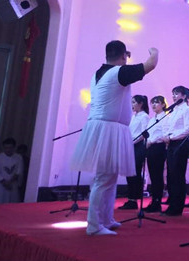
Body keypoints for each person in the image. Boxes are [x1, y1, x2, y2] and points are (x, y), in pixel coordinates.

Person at [71, 41, 158, 235]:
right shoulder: (119, 72)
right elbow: (151, 63)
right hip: (108, 128)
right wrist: (154, 50)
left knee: (110, 177)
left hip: (107, 128)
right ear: (124, 56)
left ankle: (106, 218)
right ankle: (94, 225)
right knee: (104, 178)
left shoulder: (99, 73)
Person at [162, 86, 189, 216]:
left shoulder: (187, 110)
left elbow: (188, 129)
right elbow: (169, 127)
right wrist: (166, 136)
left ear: (184, 96)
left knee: (178, 175)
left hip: (180, 144)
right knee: (171, 175)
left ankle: (177, 206)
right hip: (171, 143)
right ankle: (172, 204)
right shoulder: (174, 110)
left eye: (176, 94)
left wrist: (171, 137)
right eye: (173, 94)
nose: (174, 96)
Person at [120, 95, 150, 209]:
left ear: (140, 103)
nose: (132, 105)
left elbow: (143, 134)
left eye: (134, 102)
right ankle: (130, 198)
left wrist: (132, 141)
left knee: (134, 173)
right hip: (130, 146)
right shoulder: (134, 116)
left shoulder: (144, 116)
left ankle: (134, 199)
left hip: (138, 146)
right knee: (129, 172)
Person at [144, 95, 168, 212]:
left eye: (157, 102)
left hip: (159, 147)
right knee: (152, 175)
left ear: (163, 105)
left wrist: (152, 141)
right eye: (152, 103)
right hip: (150, 148)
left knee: (158, 175)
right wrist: (148, 141)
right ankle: (154, 200)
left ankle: (157, 201)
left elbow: (163, 134)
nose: (154, 105)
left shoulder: (165, 118)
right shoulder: (152, 119)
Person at [0, 138, 24, 204]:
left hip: (12, 184)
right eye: (6, 148)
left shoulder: (18, 157)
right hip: (0, 185)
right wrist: (4, 182)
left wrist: (10, 182)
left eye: (10, 148)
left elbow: (19, 171)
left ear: (14, 148)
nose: (8, 150)